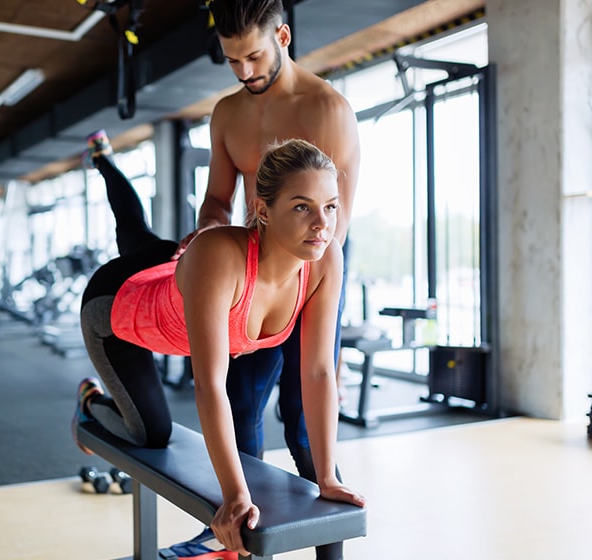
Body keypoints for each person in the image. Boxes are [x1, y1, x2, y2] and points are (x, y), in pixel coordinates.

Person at [73, 130, 366, 557]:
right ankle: (88, 402)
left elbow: (319, 372)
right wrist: (234, 495)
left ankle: (104, 161)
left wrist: (327, 478)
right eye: (302, 207)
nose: (322, 223)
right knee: (152, 435)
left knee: (138, 234)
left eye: (331, 206)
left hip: (175, 276)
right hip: (116, 309)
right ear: (263, 210)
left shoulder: (324, 259)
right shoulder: (220, 257)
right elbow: (210, 384)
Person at [175, 2, 361, 558]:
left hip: (313, 269)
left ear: (282, 36)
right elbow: (217, 200)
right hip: (250, 272)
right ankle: (238, 528)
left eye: (254, 56)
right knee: (241, 404)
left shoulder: (327, 108)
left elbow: (331, 224)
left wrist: (294, 287)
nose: (244, 71)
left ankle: (328, 535)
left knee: (303, 417)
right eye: (232, 60)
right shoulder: (228, 113)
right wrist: (208, 245)